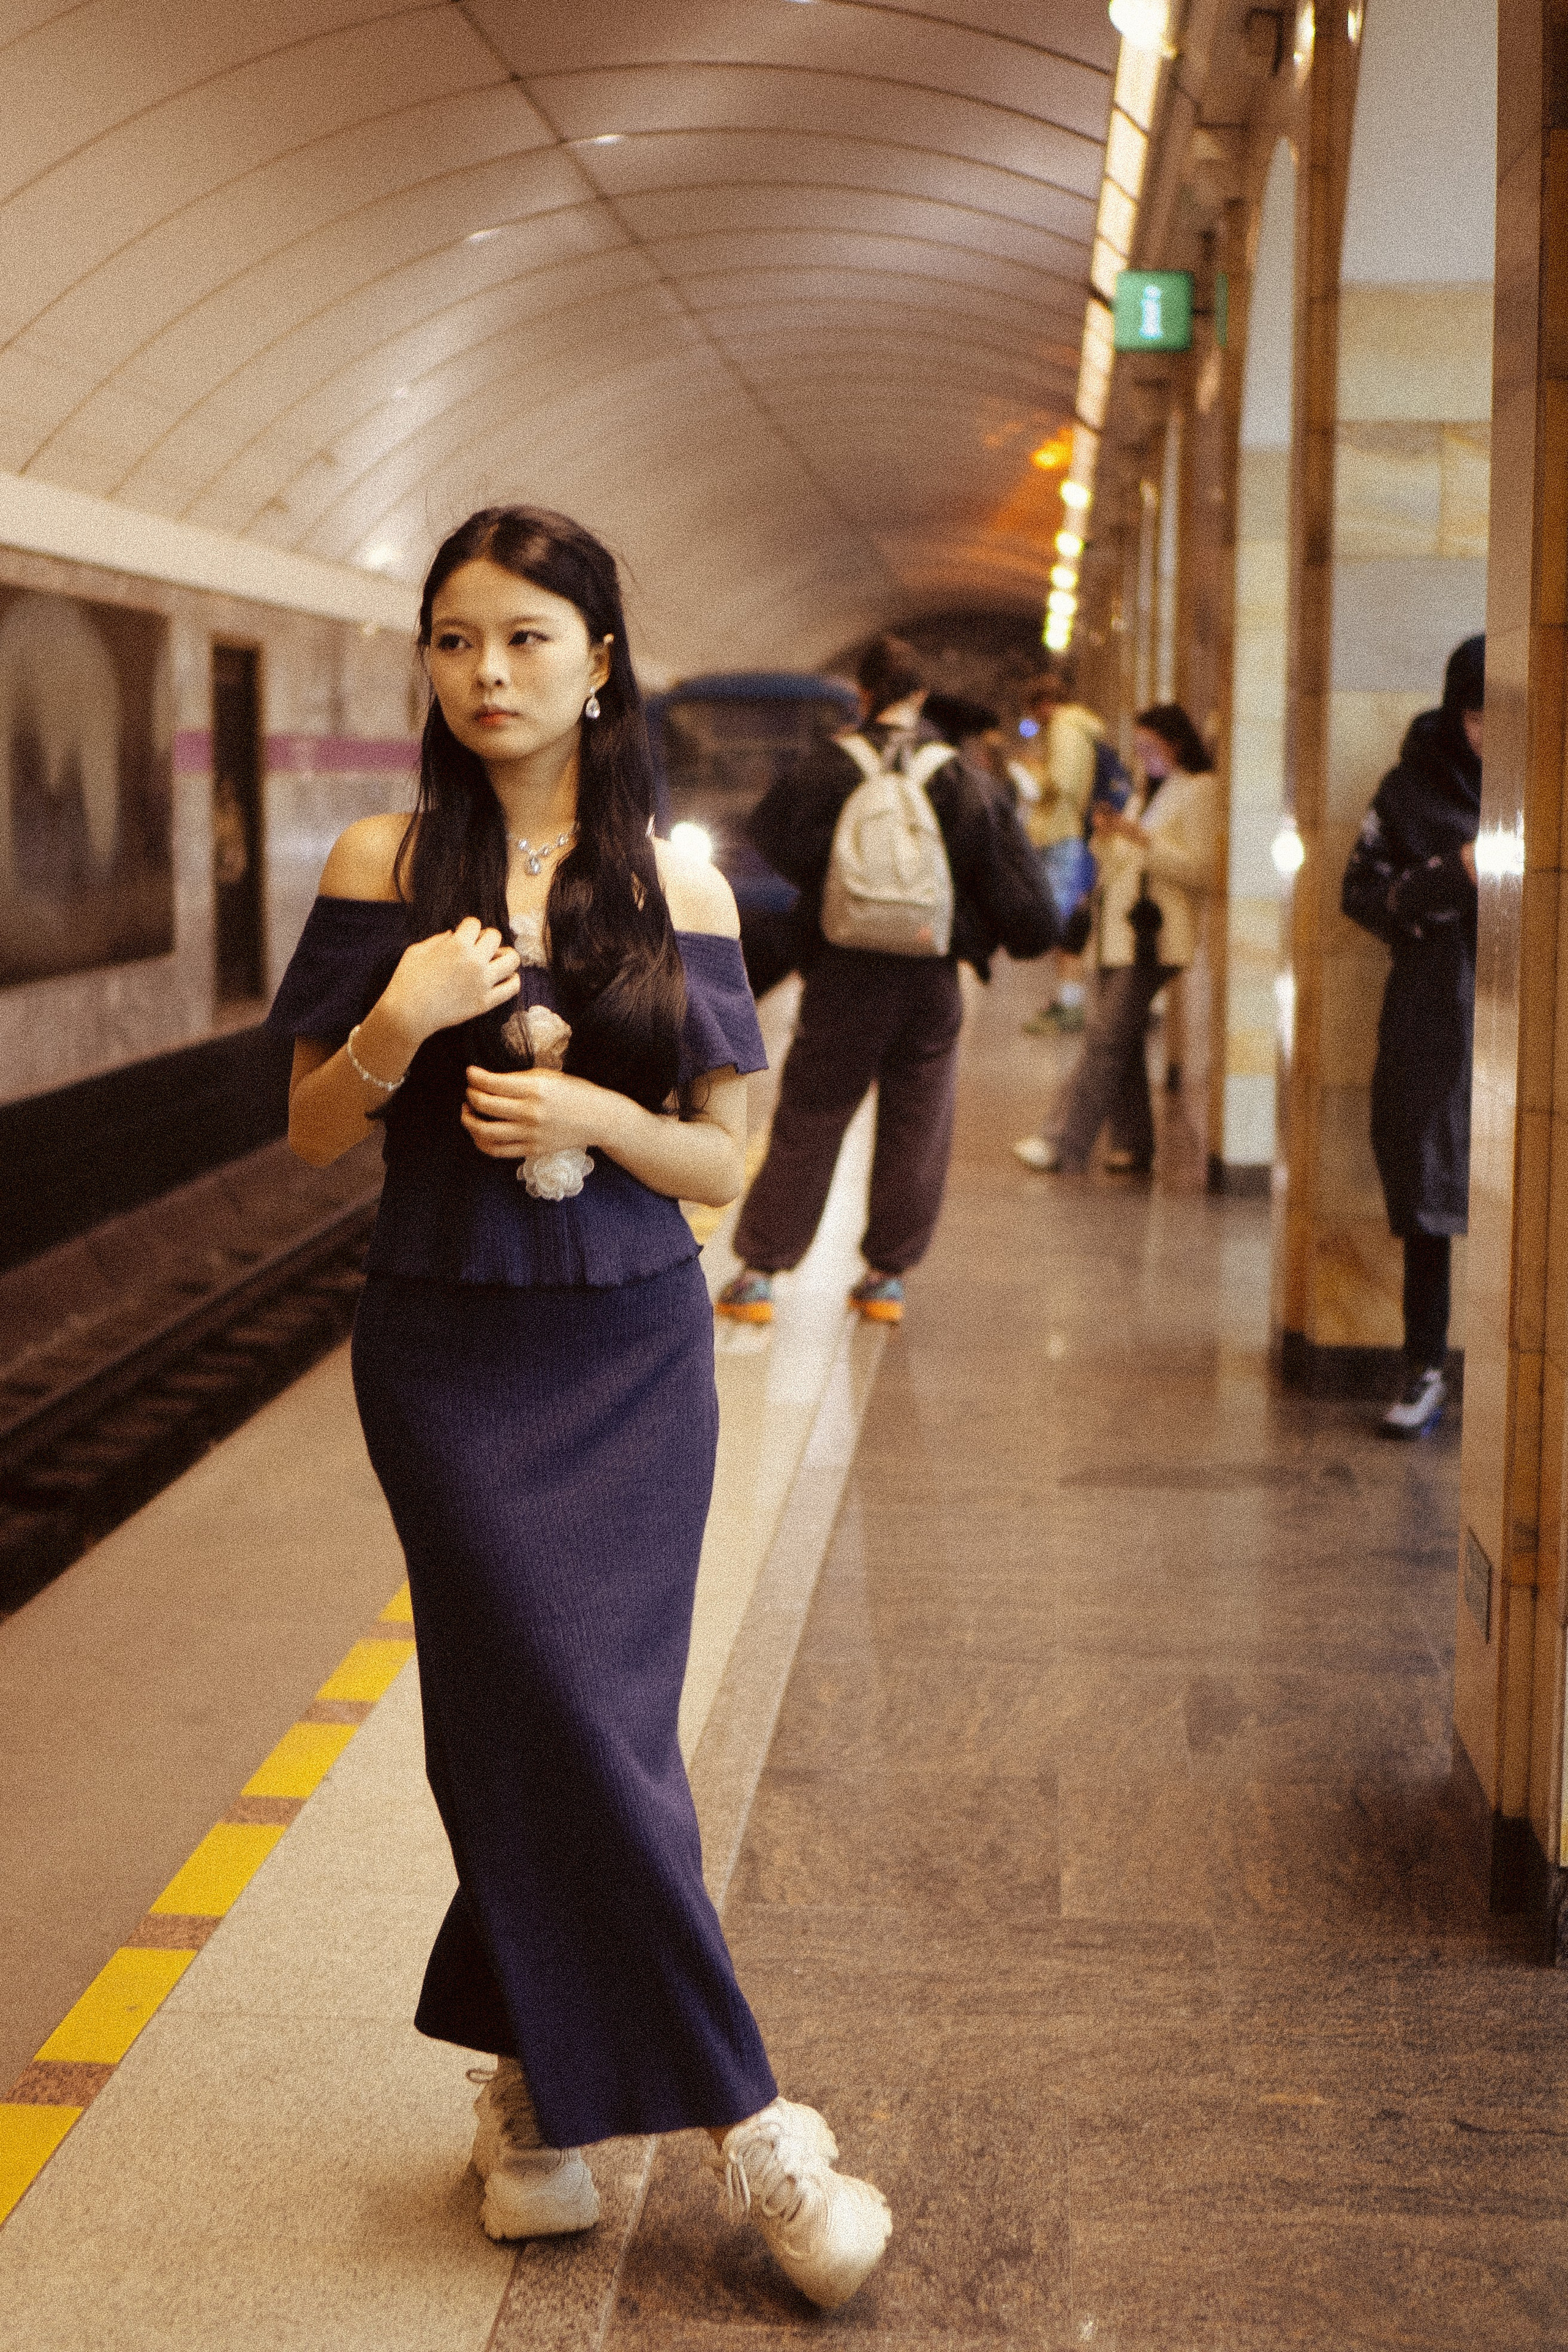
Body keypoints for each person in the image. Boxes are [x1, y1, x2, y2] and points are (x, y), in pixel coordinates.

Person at [265, 507, 892, 2312]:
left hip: (629, 1349)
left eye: (527, 638)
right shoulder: (385, 860)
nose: (487, 674)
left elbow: (721, 1152)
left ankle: (529, 2089)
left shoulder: (676, 886)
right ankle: (760, 2128)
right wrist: (397, 1017)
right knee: (530, 1709)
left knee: (588, 1732)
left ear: (600, 659)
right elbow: (312, 1124)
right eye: (455, 639)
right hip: (449, 1350)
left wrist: (594, 1124)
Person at [714, 635, 1057, 1327]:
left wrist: (833, 879)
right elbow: (1020, 896)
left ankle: (759, 1273)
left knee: (811, 1113)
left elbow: (769, 832)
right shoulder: (962, 777)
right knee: (918, 1120)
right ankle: (884, 1279)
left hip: (844, 971)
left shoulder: (830, 766)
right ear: (922, 696)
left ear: (864, 696)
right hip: (931, 976)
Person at [1341, 634, 1483, 1438]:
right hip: (1434, 1015)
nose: (1492, 734)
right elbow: (1360, 896)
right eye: (1478, 716)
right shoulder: (1410, 789)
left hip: (1524, 1019)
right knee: (1429, 1186)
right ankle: (1424, 1363)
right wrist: (1452, 872)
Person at [1014, 702, 1216, 1175]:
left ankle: (1062, 1142)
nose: (1143, 755)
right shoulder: (1147, 793)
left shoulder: (1200, 790)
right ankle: (1133, 1144)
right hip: (1116, 933)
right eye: (1139, 747)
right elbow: (1116, 861)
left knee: (1104, 1040)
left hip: (1156, 936)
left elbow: (1201, 870)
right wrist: (1109, 834)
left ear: (1176, 743)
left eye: (1151, 746)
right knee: (1119, 1043)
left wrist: (1142, 840)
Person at [1009, 662, 1106, 1033]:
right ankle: (1066, 1000)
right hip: (1065, 835)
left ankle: (1070, 1005)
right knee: (1063, 923)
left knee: (1064, 926)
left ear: (1043, 705)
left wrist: (1033, 772)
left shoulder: (1065, 728)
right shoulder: (1074, 729)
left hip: (1060, 835)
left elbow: (1063, 783)